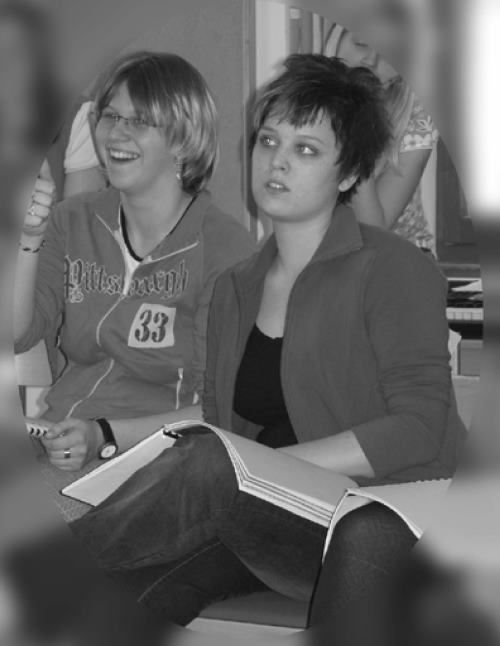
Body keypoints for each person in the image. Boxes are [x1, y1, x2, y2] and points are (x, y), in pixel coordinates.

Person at [69, 54, 466, 627]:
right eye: (269, 141)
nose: (277, 161)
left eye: (306, 150)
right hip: (285, 518)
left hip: (397, 506)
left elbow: (420, 426)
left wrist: (259, 466)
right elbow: (217, 418)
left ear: (349, 175)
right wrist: (108, 434)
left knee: (226, 470)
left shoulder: (394, 268)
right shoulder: (236, 287)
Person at [14, 50, 256, 472]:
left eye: (139, 121)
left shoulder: (225, 248)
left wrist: (104, 436)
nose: (116, 134)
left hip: (164, 460)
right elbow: (16, 335)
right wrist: (30, 238)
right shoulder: (71, 220)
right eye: (110, 116)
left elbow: (220, 408)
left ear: (183, 139)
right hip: (59, 442)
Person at [324, 20, 438, 250]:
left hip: (396, 254)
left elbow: (373, 231)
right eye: (361, 43)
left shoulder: (418, 113)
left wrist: (357, 129)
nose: (371, 61)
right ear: (337, 39)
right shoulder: (304, 102)